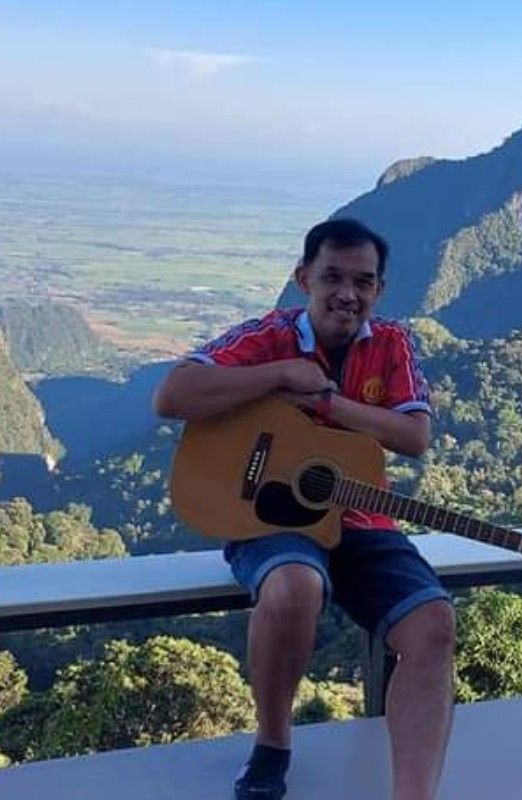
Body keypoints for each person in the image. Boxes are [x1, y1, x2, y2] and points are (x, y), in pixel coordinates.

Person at [153, 218, 455, 800]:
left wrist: (327, 402)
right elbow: (173, 395)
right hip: (268, 515)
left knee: (434, 625)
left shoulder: (391, 343)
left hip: (359, 515)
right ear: (303, 279)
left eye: (363, 282)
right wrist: (279, 374)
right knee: (295, 585)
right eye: (332, 277)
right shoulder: (269, 335)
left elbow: (414, 436)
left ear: (379, 289)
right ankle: (272, 745)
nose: (348, 293)